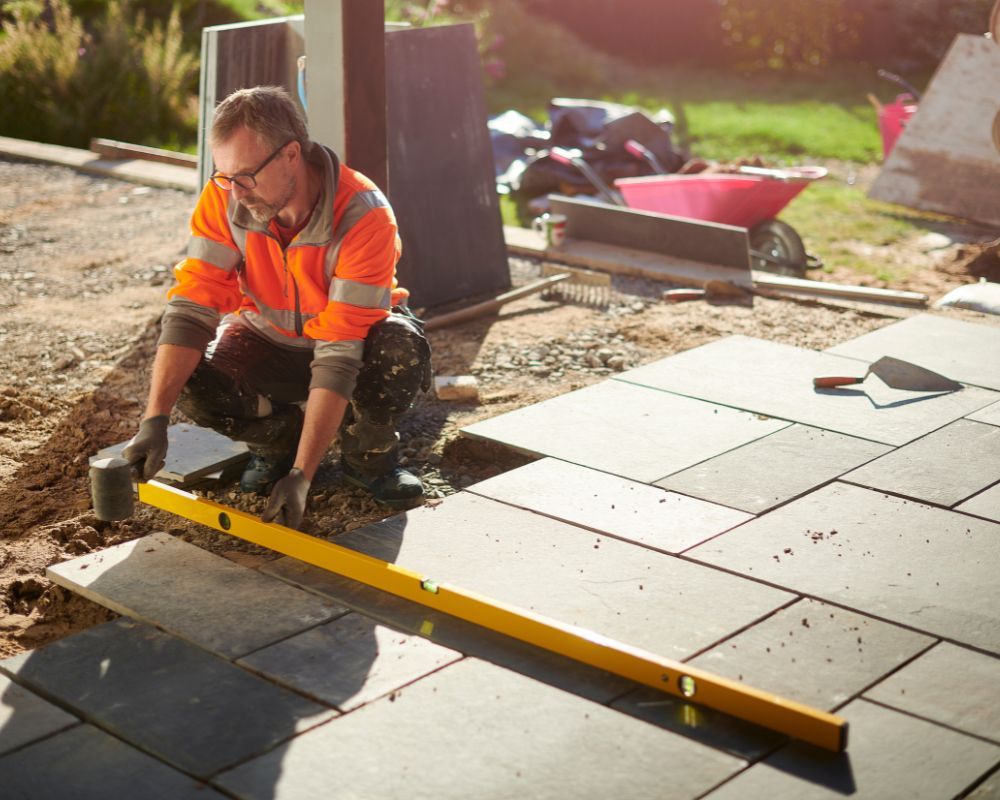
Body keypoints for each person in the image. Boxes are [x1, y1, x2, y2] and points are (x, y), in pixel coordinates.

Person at [122, 86, 431, 529]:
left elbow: (339, 351)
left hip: (355, 347)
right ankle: (277, 442)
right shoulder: (227, 195)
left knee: (399, 349)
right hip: (268, 335)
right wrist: (155, 420)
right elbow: (192, 308)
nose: (235, 191)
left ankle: (368, 457)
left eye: (246, 175)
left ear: (291, 155)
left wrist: (303, 476)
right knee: (192, 382)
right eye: (224, 176)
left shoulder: (365, 216)